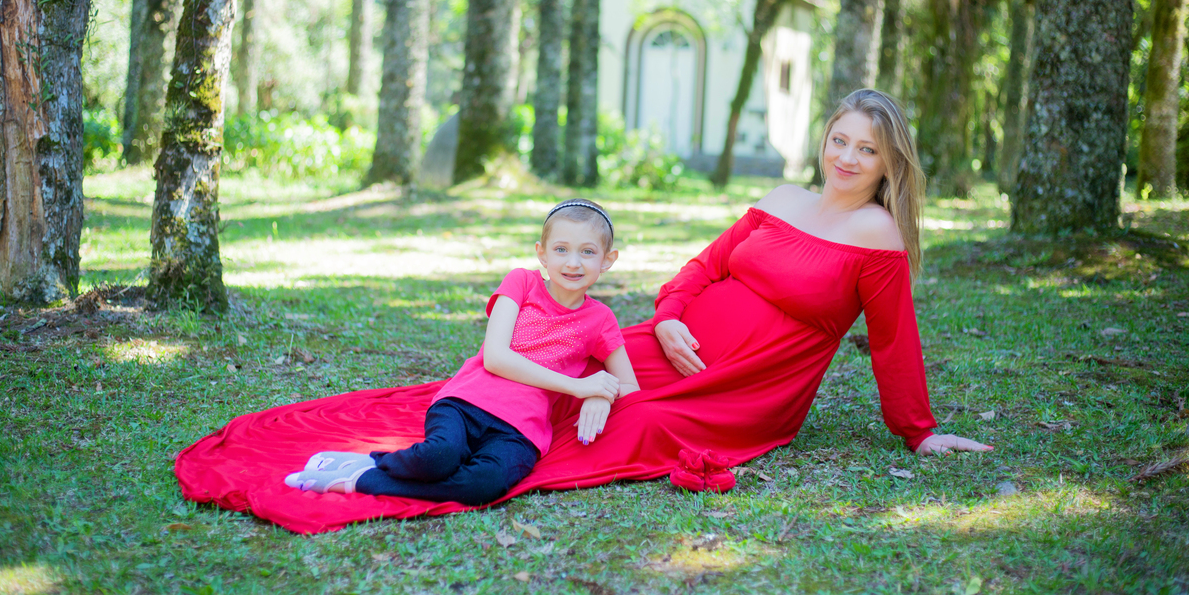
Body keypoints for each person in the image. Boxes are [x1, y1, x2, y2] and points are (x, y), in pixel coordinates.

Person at [175, 89, 989, 534]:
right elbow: (704, 268)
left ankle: (377, 477)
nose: (846, 157)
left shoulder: (877, 233)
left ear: (889, 162)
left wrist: (916, 430)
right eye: (840, 139)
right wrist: (669, 313)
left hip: (745, 384)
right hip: (674, 339)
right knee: (564, 385)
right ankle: (427, 438)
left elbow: (892, 342)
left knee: (623, 429)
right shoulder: (779, 198)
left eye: (866, 148)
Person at [281, 199, 639, 504]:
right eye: (561, 249)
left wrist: (601, 397)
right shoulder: (522, 282)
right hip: (469, 402)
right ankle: (374, 462)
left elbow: (631, 389)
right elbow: (495, 357)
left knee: (483, 485)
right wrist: (579, 387)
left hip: (522, 429)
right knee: (440, 457)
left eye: (587, 252)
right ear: (541, 253)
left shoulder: (601, 319)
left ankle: (361, 479)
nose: (573, 263)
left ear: (608, 260)